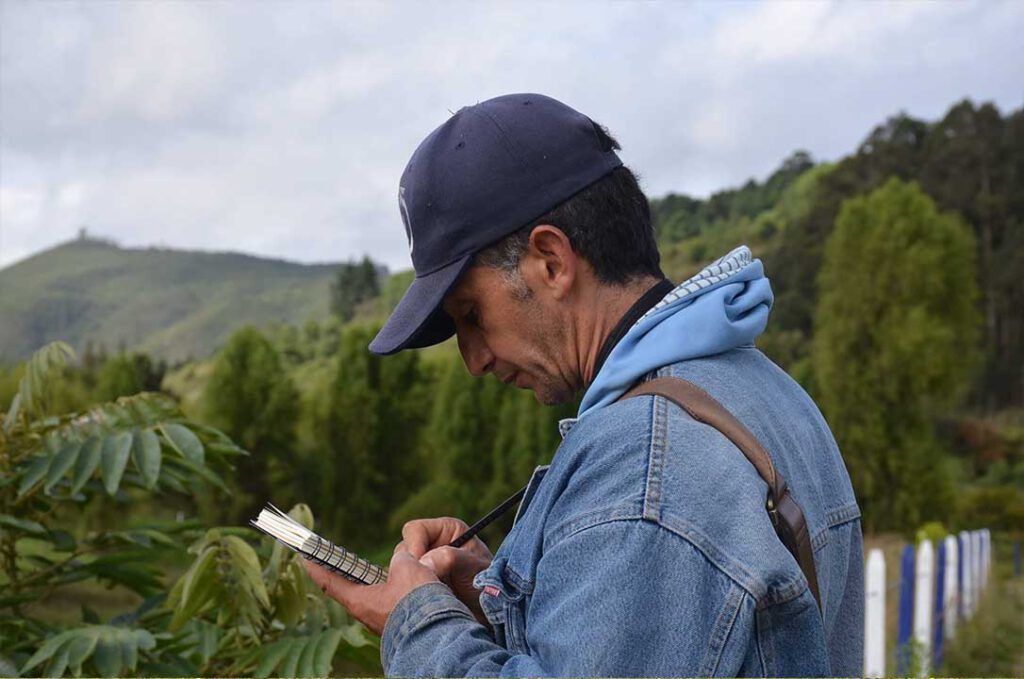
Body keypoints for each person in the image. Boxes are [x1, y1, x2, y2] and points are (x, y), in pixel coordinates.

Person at [302, 93, 864, 677]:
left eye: (471, 314)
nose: (471, 360)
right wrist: (497, 603)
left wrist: (416, 624)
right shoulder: (758, 390)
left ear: (551, 260)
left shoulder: (644, 463)